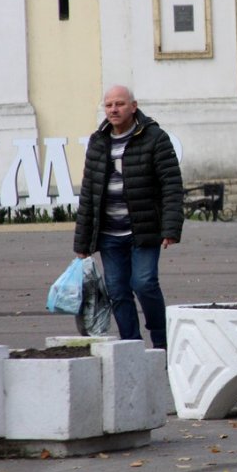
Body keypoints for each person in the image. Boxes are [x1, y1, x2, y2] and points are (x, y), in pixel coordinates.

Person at [73, 85, 183, 350]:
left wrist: (170, 228)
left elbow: (171, 185)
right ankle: (131, 347)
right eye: (109, 105)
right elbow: (88, 193)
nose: (114, 109)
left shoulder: (155, 138)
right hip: (109, 234)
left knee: (144, 284)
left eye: (120, 104)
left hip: (143, 230)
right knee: (117, 291)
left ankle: (161, 341)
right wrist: (82, 243)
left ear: (134, 106)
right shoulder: (98, 141)